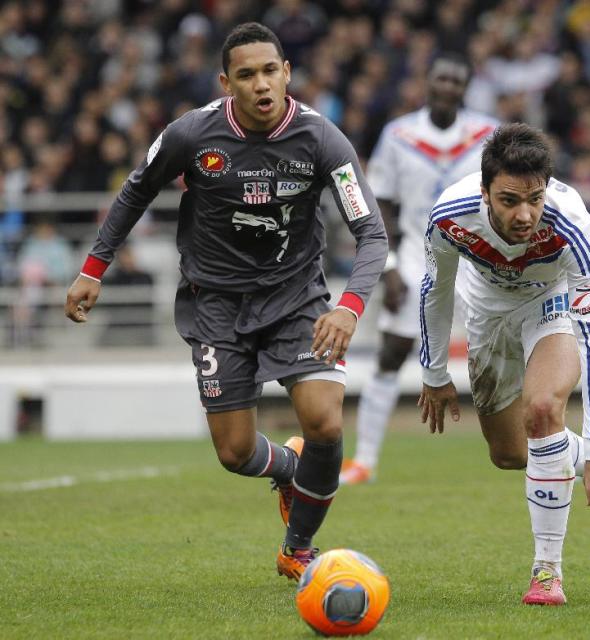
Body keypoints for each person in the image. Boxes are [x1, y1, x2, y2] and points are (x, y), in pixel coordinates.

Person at [63, 23, 387, 579]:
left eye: (270, 71)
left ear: (287, 73)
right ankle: (288, 470)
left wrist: (349, 306)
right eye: (246, 75)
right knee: (235, 454)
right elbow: (136, 190)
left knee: (326, 425)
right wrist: (94, 268)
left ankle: (298, 548)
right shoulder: (192, 135)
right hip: (215, 306)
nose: (261, 84)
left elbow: (373, 234)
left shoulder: (323, 140)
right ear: (226, 82)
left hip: (297, 302)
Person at [418, 123, 590, 606]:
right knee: (509, 453)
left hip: (550, 306)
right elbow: (435, 290)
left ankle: (547, 572)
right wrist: (434, 372)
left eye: (535, 198)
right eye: (509, 200)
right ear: (485, 190)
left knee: (544, 410)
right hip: (486, 318)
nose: (525, 214)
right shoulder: (449, 215)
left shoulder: (573, 224)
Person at [339, 53, 498, 485]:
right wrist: (388, 267)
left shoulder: (488, 133)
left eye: (456, 79)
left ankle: (523, 444)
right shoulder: (398, 134)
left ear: (464, 88)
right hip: (417, 255)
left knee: (505, 352)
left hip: (478, 255)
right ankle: (364, 461)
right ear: (428, 82)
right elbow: (382, 203)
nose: (448, 85)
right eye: (441, 77)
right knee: (392, 351)